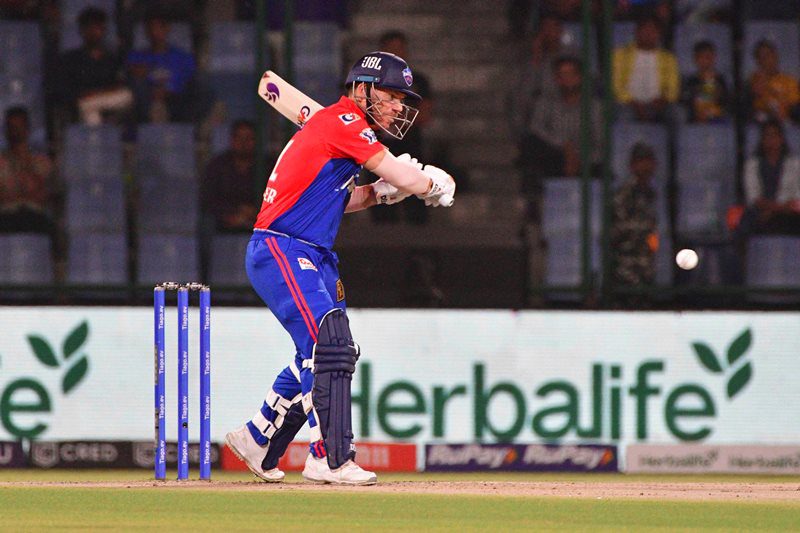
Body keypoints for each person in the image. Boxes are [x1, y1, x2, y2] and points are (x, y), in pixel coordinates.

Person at [224, 51, 456, 485]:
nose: (397, 107)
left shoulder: (339, 132)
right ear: (362, 89)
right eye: (390, 96)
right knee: (327, 347)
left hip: (313, 252)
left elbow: (341, 200)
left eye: (402, 100)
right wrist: (430, 184)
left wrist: (383, 192)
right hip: (283, 247)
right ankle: (328, 458)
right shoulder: (345, 123)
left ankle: (258, 439)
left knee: (328, 350)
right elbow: (401, 173)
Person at [55, 7, 131, 126]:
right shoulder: (70, 59)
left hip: (108, 101)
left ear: (104, 30)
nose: (93, 32)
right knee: (90, 112)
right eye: (89, 28)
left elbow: (119, 85)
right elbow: (65, 91)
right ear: (81, 31)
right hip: (82, 104)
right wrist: (84, 95)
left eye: (97, 27)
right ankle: (98, 136)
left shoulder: (113, 58)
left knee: (127, 95)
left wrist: (98, 94)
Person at [126, 10, 197, 122]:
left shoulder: (183, 57)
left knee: (199, 86)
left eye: (159, 28)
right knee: (137, 86)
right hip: (147, 103)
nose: (155, 32)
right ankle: (155, 115)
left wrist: (169, 90)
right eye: (151, 28)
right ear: (146, 31)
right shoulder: (136, 57)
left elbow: (188, 82)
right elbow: (135, 80)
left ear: (167, 29)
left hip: (175, 101)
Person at [611, 142, 660, 301]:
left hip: (646, 266)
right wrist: (644, 229)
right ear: (632, 165)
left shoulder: (652, 194)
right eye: (641, 161)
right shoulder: (624, 194)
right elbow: (617, 229)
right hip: (625, 266)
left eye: (648, 161)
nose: (646, 166)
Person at [738, 119, 800, 239]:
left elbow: (797, 195)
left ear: (781, 139)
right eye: (767, 136)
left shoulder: (795, 164)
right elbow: (753, 197)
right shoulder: (751, 164)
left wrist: (776, 210)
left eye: (774, 135)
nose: (771, 140)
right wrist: (772, 208)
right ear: (762, 140)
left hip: (788, 212)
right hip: (760, 211)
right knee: (747, 222)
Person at [0, 106, 58, 233]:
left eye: (18, 127)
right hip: (6, 220)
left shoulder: (42, 163)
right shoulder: (1, 163)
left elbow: (47, 194)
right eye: (11, 127)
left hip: (35, 219)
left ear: (26, 129)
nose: (15, 131)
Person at [612, 15, 679, 123]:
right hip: (628, 104)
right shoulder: (620, 55)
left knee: (677, 114)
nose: (649, 34)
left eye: (653, 31)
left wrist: (663, 100)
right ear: (637, 32)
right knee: (624, 116)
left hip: (659, 104)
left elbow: (673, 89)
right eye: (645, 29)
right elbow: (616, 85)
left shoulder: (668, 58)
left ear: (659, 34)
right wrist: (633, 103)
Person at [201, 120, 263, 232]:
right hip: (222, 226)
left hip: (260, 224)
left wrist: (254, 212)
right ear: (232, 140)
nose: (243, 143)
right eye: (239, 138)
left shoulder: (266, 165)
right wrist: (233, 213)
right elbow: (208, 199)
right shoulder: (217, 165)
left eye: (248, 138)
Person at [746, 40, 800, 124]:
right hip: (761, 123)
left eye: (768, 55)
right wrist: (753, 94)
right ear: (757, 61)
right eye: (760, 57)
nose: (765, 60)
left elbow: (795, 105)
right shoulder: (752, 81)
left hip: (786, 122)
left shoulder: (790, 81)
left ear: (775, 56)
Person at [680, 40, 730, 123]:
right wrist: (698, 111)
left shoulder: (720, 80)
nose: (706, 61)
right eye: (702, 57)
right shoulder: (690, 81)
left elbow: (726, 103)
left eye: (708, 57)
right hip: (695, 119)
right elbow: (686, 103)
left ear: (714, 58)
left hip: (717, 119)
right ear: (695, 59)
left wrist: (715, 111)